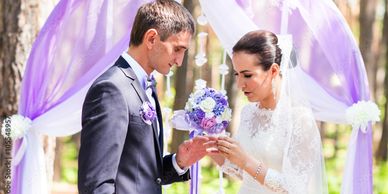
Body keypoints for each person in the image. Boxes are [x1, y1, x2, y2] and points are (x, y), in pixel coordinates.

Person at [78, 1, 216, 193]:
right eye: (177, 49)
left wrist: (178, 162)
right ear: (151, 38)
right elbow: (96, 184)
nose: (179, 61)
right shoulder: (111, 89)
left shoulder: (145, 86)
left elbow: (139, 174)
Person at [210, 30, 327, 194]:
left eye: (248, 75)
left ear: (273, 71)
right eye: (237, 74)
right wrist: (216, 151)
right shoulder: (247, 113)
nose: (240, 84)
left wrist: (245, 161)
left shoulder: (300, 119)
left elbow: (294, 188)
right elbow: (245, 174)